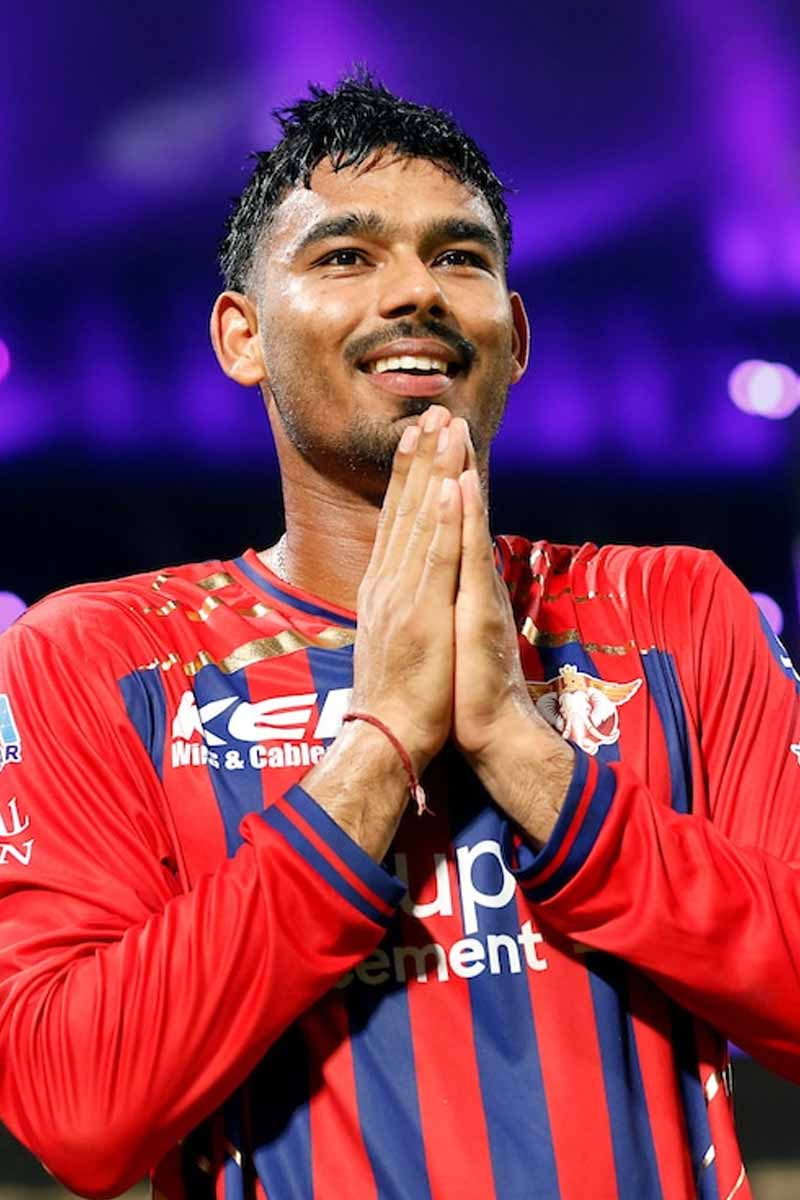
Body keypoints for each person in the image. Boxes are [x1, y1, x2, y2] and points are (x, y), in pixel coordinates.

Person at [0, 73, 798, 1200]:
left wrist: (522, 753)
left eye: (460, 257)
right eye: (345, 256)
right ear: (241, 336)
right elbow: (75, 1113)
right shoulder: (101, 657)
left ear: (514, 337)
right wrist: (378, 751)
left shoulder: (673, 611)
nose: (416, 289)